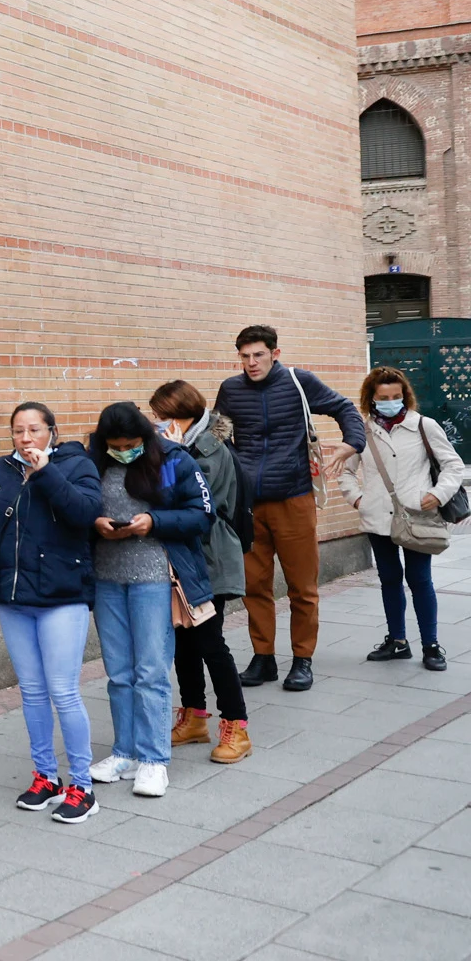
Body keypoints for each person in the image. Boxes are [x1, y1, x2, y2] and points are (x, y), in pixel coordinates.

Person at [0, 402, 103, 824]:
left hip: (62, 596)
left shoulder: (76, 466)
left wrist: (45, 472)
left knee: (64, 690)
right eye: (18, 431)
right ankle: (45, 777)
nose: (25, 439)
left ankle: (82, 786)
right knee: (32, 691)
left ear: (51, 432)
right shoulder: (1, 469)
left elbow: (84, 514)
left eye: (34, 430)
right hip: (14, 597)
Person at [214, 325, 366, 692]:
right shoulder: (230, 389)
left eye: (259, 355)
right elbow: (217, 436)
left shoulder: (299, 382)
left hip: (294, 498)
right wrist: (237, 468)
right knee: (254, 586)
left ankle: (302, 659)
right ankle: (263, 658)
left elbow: (344, 407)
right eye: (245, 356)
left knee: (302, 586)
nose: (251, 363)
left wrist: (352, 444)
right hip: (248, 505)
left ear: (274, 353)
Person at [86, 402, 213, 799]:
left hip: (154, 578)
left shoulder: (174, 459)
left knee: (151, 671)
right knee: (119, 671)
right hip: (107, 578)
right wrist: (95, 524)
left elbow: (203, 514)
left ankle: (155, 760)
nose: (124, 450)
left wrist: (154, 522)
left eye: (131, 444)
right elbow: (77, 505)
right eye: (116, 445)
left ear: (144, 436)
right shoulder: (93, 460)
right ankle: (124, 752)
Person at [149, 381, 253, 765]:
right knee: (185, 642)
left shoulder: (208, 449)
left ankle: (236, 726)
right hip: (186, 559)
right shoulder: (188, 444)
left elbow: (184, 501)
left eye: (161, 416)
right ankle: (194, 716)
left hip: (211, 557)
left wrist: (169, 452)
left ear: (182, 415)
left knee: (210, 642)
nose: (156, 423)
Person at [338, 366, 462, 673]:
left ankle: (431, 646)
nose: (391, 401)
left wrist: (438, 494)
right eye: (384, 397)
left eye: (397, 396)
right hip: (378, 517)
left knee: (420, 580)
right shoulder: (362, 431)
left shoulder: (424, 426)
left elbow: (453, 466)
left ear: (405, 395)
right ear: (371, 398)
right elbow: (345, 470)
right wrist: (357, 499)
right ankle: (397, 641)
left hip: (417, 516)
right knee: (389, 580)